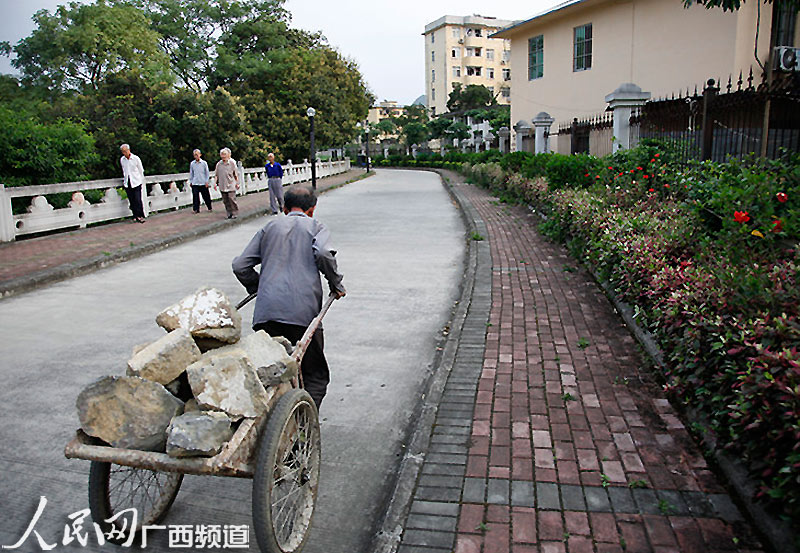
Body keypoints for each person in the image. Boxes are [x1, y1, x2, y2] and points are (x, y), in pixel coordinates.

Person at [232, 184, 346, 409]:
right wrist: (336, 283)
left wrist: (258, 286)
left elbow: (240, 265)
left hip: (266, 316)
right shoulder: (315, 226)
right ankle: (303, 426)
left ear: (284, 208)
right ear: (312, 209)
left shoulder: (270, 227)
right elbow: (323, 253)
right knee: (314, 375)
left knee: (270, 374)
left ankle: (273, 424)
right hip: (302, 316)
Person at [119, 144, 146, 223]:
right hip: (128, 182)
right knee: (132, 200)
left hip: (136, 181)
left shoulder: (135, 158)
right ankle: (135, 215)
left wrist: (141, 180)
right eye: (123, 152)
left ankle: (140, 215)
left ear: (129, 150)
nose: (124, 153)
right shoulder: (122, 160)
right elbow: (124, 170)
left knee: (138, 199)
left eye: (125, 151)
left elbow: (141, 170)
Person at [214, 147, 239, 219]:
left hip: (231, 184)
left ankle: (235, 212)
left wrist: (237, 183)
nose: (223, 156)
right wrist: (215, 183)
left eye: (224, 154)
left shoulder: (232, 163)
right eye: (222, 154)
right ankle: (229, 213)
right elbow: (216, 175)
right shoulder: (219, 164)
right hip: (222, 184)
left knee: (231, 199)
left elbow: (236, 174)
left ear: (228, 155)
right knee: (225, 200)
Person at [189, 149, 212, 214]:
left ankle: (209, 207)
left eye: (197, 154)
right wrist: (191, 181)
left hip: (203, 182)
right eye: (194, 155)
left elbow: (207, 173)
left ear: (200, 155)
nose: (196, 156)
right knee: (195, 196)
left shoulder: (204, 163)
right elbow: (191, 173)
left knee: (206, 196)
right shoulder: (192, 163)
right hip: (195, 182)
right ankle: (196, 209)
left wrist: (207, 181)